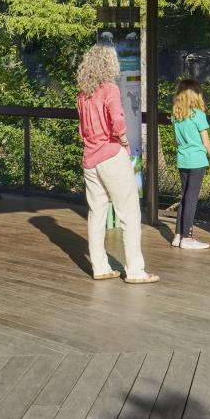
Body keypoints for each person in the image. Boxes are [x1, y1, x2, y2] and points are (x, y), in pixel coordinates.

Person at [76, 42, 157, 284]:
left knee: (96, 213)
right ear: (109, 64)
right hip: (111, 154)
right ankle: (135, 270)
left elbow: (82, 130)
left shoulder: (83, 93)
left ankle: (99, 266)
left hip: (89, 158)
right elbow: (118, 119)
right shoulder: (109, 88)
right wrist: (123, 140)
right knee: (129, 214)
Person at [169, 79, 210, 251]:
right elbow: (206, 142)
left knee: (184, 197)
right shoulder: (198, 115)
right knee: (191, 199)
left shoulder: (176, 116)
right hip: (197, 161)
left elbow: (177, 140)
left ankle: (178, 235)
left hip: (182, 160)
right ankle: (187, 237)